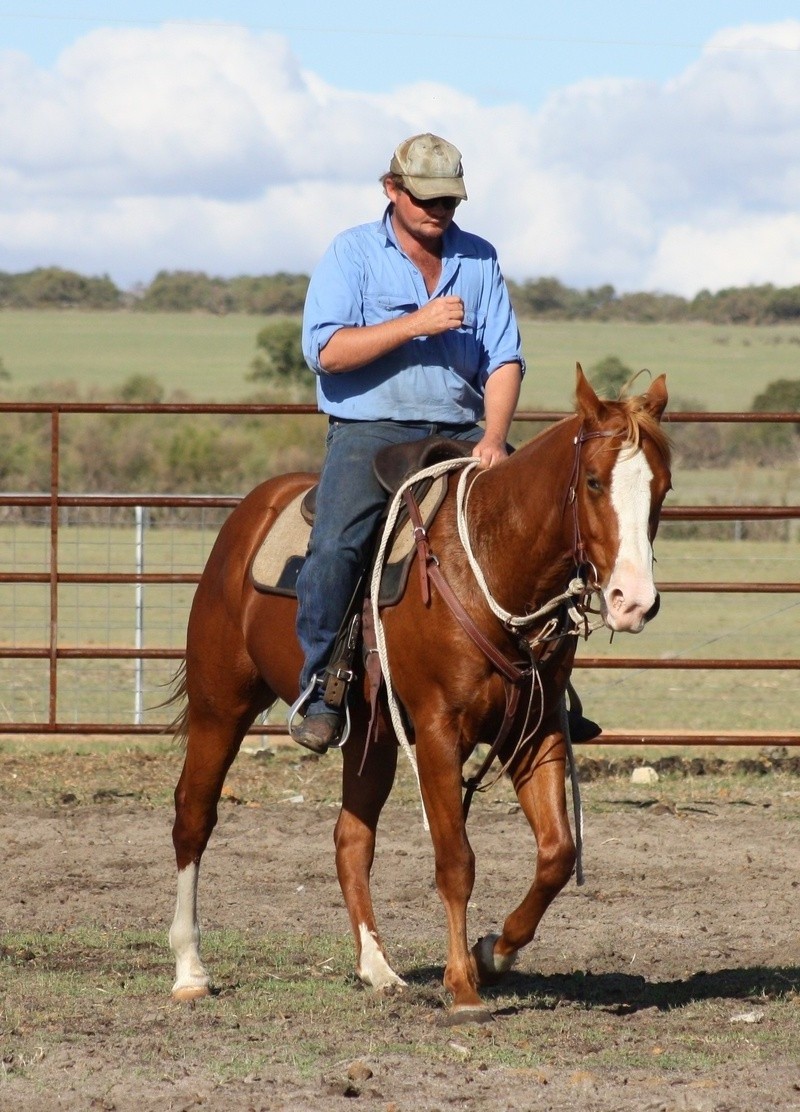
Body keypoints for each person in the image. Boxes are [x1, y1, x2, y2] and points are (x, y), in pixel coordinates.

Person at [291, 132, 526, 754]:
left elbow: (503, 357)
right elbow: (326, 352)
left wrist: (496, 438)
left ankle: (546, 684)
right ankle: (322, 683)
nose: (437, 211)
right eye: (424, 198)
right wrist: (417, 324)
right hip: (371, 429)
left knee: (540, 522)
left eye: (448, 201)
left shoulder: (479, 259)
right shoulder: (351, 254)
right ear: (391, 189)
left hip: (461, 429)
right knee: (338, 544)